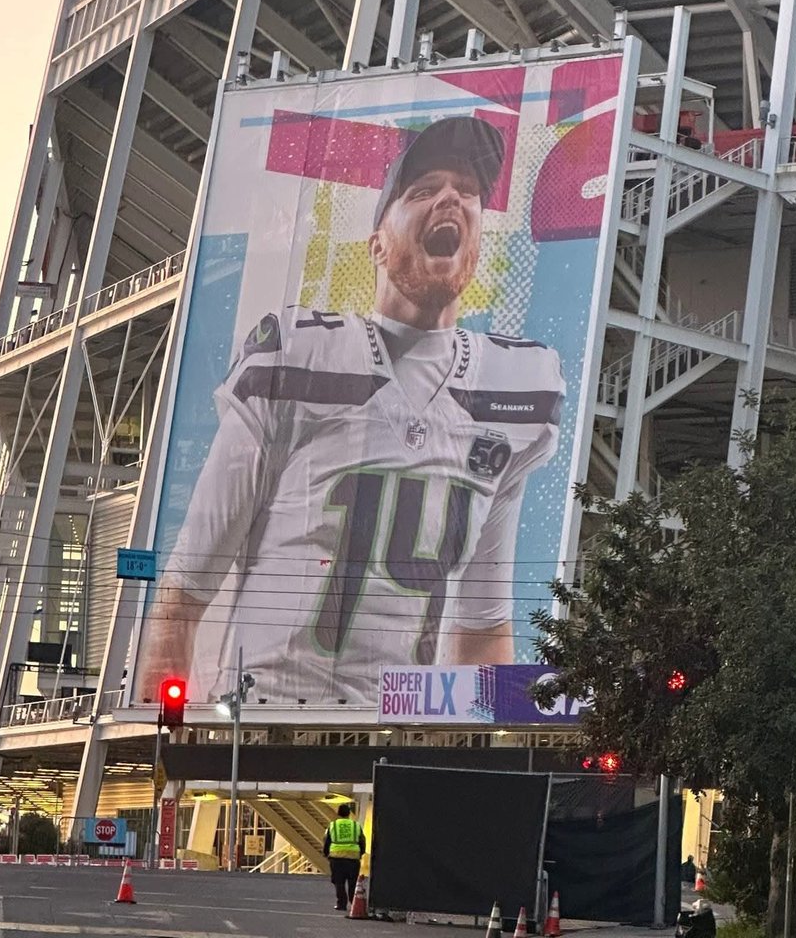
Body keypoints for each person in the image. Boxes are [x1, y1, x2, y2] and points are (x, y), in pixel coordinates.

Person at [137, 115, 565, 705]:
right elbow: (183, 596)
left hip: (406, 733)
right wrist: (173, 747)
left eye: (467, 192)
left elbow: (482, 627)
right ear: (377, 243)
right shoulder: (299, 351)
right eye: (421, 190)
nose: (450, 198)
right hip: (267, 720)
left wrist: (484, 765)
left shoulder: (518, 387)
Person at [323, 803, 366, 912]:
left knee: (339, 882)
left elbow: (327, 841)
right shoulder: (356, 825)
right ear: (349, 813)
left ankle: (341, 904)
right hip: (353, 858)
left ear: (338, 813)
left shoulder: (333, 825)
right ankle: (354, 903)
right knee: (352, 882)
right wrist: (360, 853)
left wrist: (326, 853)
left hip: (336, 858)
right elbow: (362, 841)